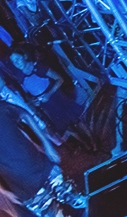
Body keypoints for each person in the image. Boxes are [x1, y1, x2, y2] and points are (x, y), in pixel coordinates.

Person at [0, 76, 86, 216]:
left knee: (80, 200)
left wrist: (47, 145)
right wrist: (4, 192)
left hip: (43, 168)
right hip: (25, 188)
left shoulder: (2, 108)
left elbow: (25, 115)